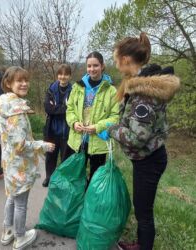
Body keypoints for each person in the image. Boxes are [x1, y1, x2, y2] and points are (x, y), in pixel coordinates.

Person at [106, 33, 180, 250]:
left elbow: (137, 138)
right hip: (147, 158)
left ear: (126, 59)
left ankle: (144, 247)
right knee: (142, 207)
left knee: (143, 212)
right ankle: (141, 243)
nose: (116, 64)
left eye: (116, 59)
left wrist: (111, 130)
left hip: (149, 160)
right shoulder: (138, 85)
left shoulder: (143, 95)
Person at [0, 66, 55, 250]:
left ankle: (7, 232)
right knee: (20, 203)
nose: (24, 84)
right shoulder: (17, 111)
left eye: (25, 80)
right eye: (19, 81)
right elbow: (21, 145)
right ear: (8, 83)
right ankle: (20, 237)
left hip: (8, 161)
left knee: (12, 198)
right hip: (19, 165)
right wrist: (43, 145)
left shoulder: (4, 104)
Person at [65, 51, 119, 183]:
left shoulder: (111, 90)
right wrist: (74, 123)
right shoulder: (78, 87)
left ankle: (91, 202)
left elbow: (115, 117)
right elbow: (70, 109)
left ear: (102, 66)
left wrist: (98, 127)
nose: (92, 69)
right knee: (75, 177)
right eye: (89, 66)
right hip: (77, 140)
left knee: (96, 179)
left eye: (95, 65)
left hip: (99, 142)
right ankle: (77, 202)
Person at [42, 64, 72, 187]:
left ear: (70, 76)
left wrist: (56, 108)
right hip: (52, 130)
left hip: (67, 130)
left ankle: (62, 180)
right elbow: (48, 108)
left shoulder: (74, 90)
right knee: (50, 156)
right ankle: (49, 177)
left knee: (65, 157)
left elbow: (72, 109)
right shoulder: (51, 89)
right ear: (57, 75)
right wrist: (63, 108)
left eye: (65, 74)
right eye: (60, 74)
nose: (62, 77)